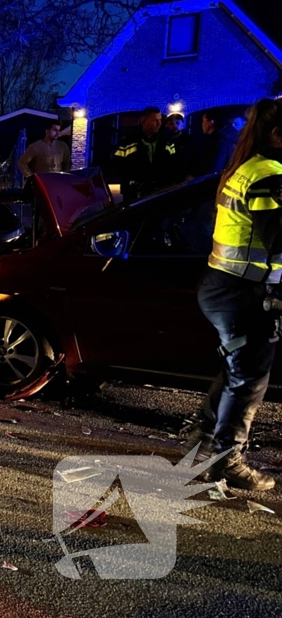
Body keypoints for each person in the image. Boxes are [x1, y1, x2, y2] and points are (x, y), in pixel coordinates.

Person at [195, 98, 282, 491]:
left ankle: (207, 450)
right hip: (242, 292)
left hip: (227, 286)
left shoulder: (251, 166)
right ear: (278, 135)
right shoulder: (267, 175)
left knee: (237, 371)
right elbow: (277, 237)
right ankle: (226, 457)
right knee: (248, 376)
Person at [114, 106, 183, 202]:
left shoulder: (166, 141)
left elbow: (174, 165)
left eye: (160, 120)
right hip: (134, 195)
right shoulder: (128, 141)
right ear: (144, 121)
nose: (159, 123)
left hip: (160, 192)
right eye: (155, 120)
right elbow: (118, 165)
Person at [199, 111, 240, 177]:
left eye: (204, 121)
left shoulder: (217, 141)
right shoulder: (221, 138)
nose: (202, 124)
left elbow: (215, 166)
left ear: (211, 122)